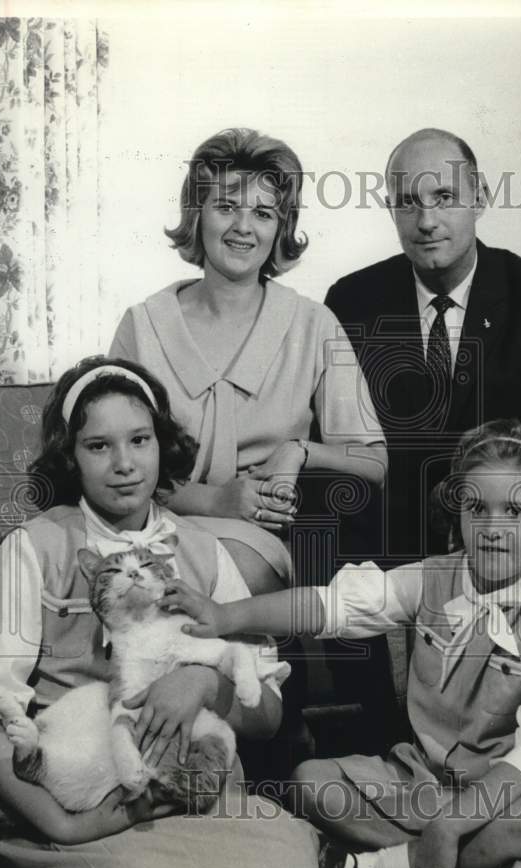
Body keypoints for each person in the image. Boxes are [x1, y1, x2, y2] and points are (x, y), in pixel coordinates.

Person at [0, 357, 320, 868]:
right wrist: (61, 825)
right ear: (72, 458)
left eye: (139, 441)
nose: (124, 464)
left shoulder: (201, 550)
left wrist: (202, 683)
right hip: (85, 796)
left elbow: (267, 711)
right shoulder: (35, 547)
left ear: (159, 444)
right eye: (99, 446)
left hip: (190, 793)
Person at [163, 420, 521, 868]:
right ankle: (496, 862)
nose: (492, 528)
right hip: (428, 782)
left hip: (514, 792)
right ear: (456, 511)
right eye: (476, 507)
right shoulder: (430, 579)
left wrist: (451, 823)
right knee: (310, 785)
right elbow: (327, 606)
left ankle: (389, 866)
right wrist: (227, 614)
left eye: (516, 511)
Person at [324, 128, 521, 703]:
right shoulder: (354, 299)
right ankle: (362, 720)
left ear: (480, 197)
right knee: (329, 493)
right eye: (408, 202)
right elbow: (333, 431)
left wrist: (508, 459)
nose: (426, 221)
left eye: (444, 197)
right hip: (404, 506)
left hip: (509, 509)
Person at [109, 127, 387, 597]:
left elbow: (374, 462)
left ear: (281, 228)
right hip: (147, 522)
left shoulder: (312, 324)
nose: (243, 227)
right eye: (225, 207)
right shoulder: (142, 325)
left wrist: (297, 452)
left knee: (191, 585)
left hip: (258, 541)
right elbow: (116, 464)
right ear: (196, 216)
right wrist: (215, 499)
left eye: (262, 213)